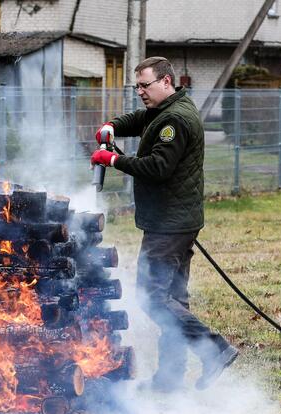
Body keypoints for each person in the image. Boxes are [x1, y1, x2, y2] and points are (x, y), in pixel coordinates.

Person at [90, 57, 238, 391]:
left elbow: (158, 167)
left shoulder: (176, 120)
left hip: (169, 225)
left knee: (150, 296)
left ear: (166, 82)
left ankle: (215, 349)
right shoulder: (166, 110)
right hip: (174, 220)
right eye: (137, 86)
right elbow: (141, 119)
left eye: (145, 85)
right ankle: (169, 380)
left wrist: (113, 159)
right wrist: (113, 126)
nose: (140, 91)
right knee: (174, 298)